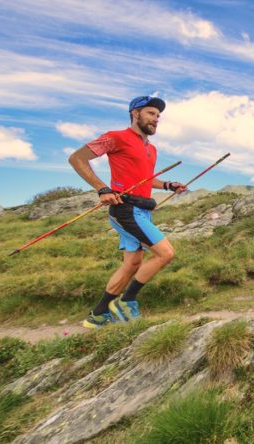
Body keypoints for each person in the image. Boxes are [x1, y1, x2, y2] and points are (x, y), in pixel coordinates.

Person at [69, 95, 187, 328]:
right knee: (165, 254)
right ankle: (127, 301)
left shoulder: (150, 148)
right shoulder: (116, 137)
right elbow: (77, 158)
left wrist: (168, 185)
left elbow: (145, 179)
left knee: (132, 264)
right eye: (151, 114)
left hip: (143, 209)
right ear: (135, 113)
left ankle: (99, 314)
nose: (156, 119)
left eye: (158, 116)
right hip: (126, 209)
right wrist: (102, 189)